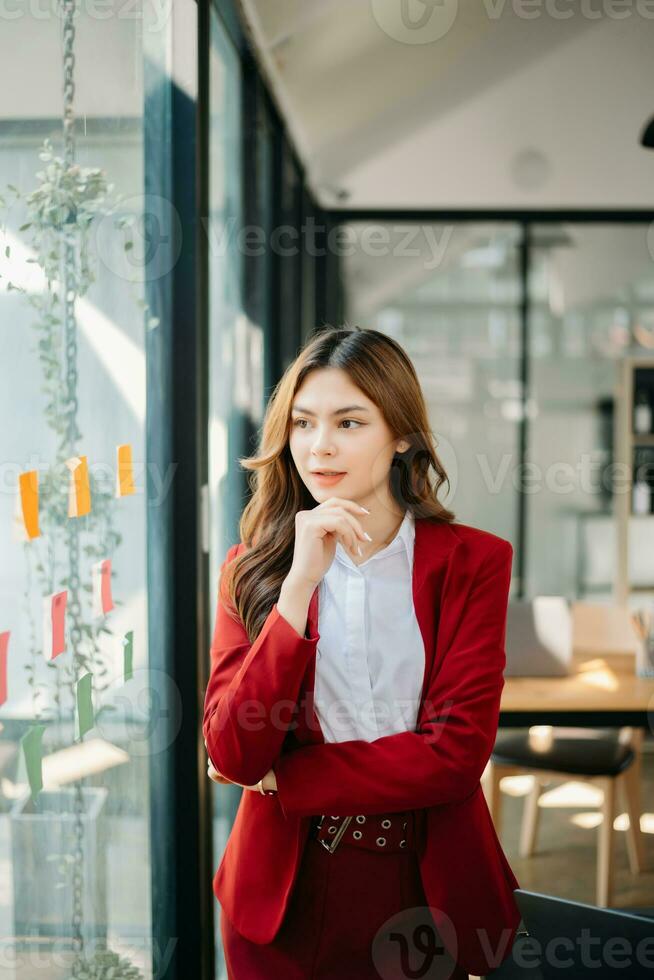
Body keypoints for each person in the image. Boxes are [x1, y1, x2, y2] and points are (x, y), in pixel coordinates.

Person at [203, 325, 522, 979]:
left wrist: (289, 778)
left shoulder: (474, 562)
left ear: (401, 434)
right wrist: (297, 591)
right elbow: (234, 752)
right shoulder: (252, 570)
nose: (320, 447)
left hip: (421, 891)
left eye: (349, 422)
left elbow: (456, 755)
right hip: (279, 897)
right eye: (302, 423)